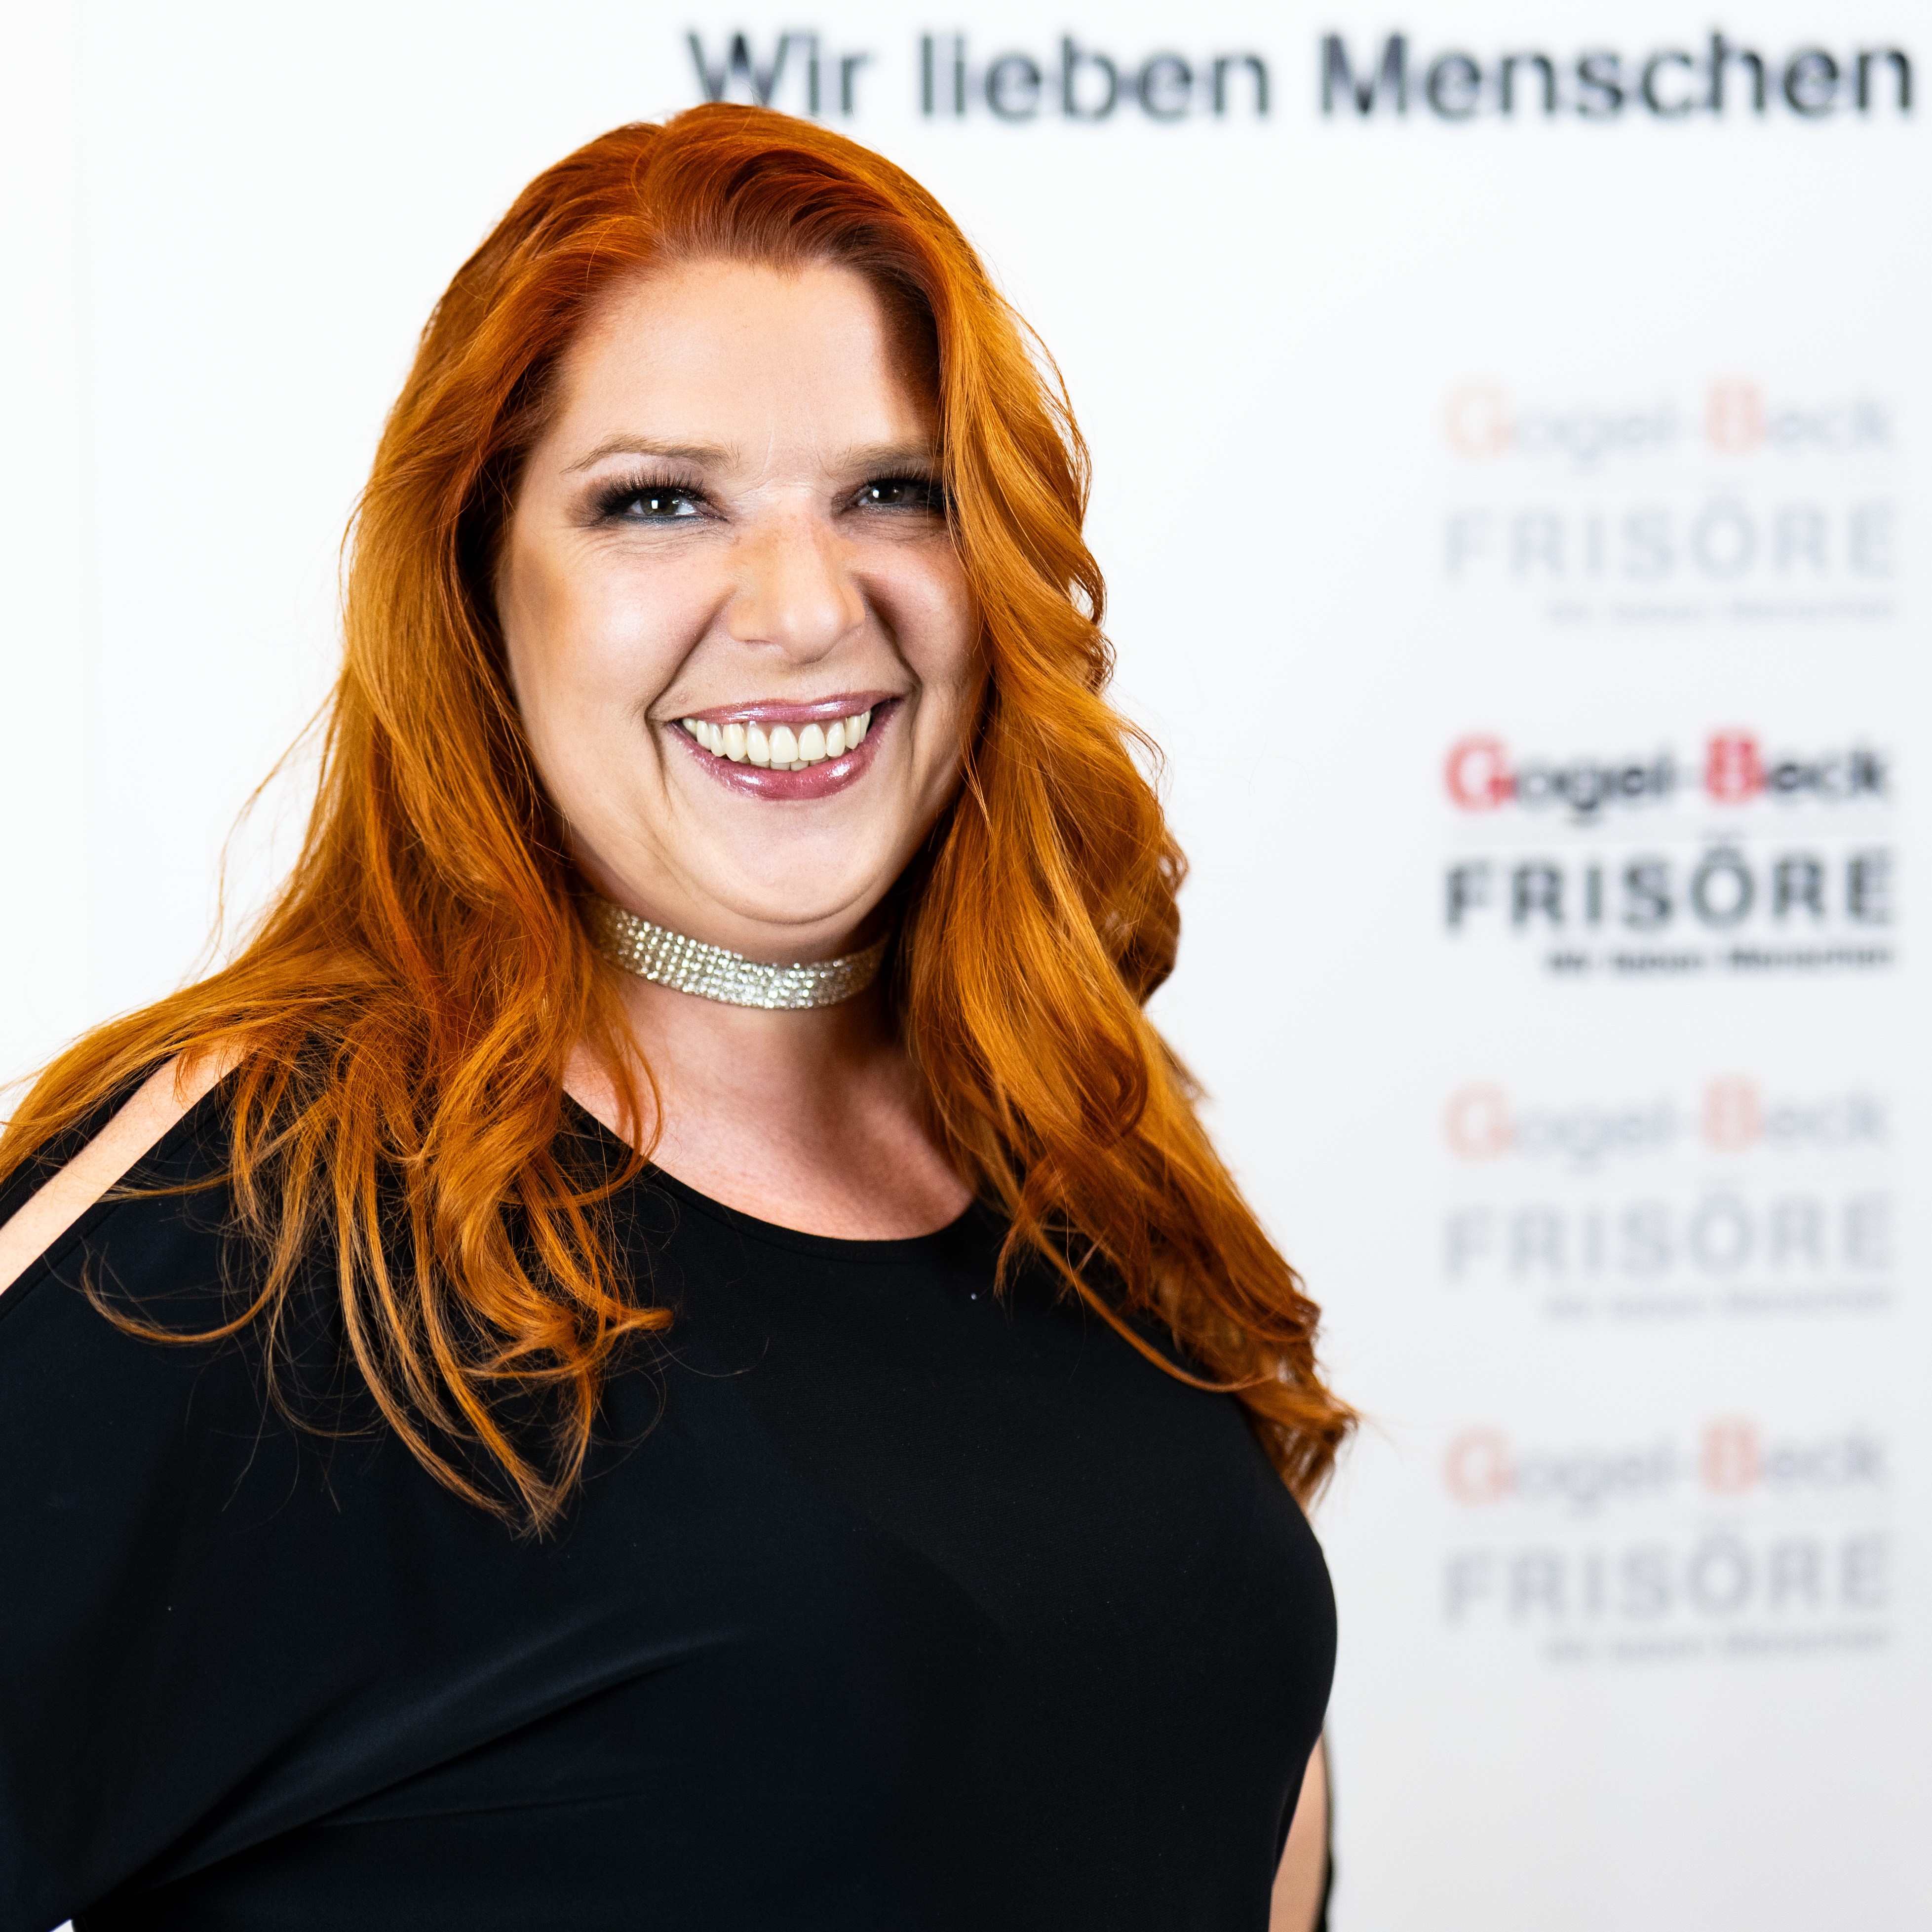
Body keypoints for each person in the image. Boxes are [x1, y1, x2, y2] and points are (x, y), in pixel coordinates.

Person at [0, 106, 1352, 1932]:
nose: (802, 609)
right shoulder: (258, 1206)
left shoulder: (1077, 1138)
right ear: (479, 583)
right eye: (659, 501)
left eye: (895, 492)